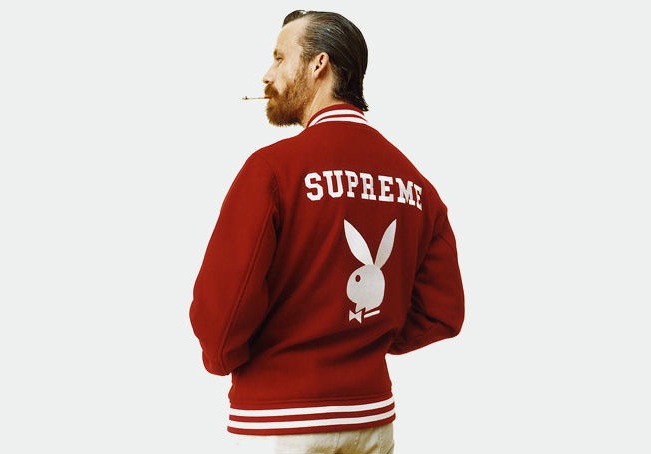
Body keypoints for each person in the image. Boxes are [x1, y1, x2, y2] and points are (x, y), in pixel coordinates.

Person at [189, 9, 465, 453]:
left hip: (281, 422)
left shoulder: (272, 170)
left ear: (319, 64)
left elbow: (222, 316)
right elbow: (442, 310)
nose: (267, 74)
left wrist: (227, 358)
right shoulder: (416, 184)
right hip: (372, 421)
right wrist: (365, 340)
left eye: (280, 57)